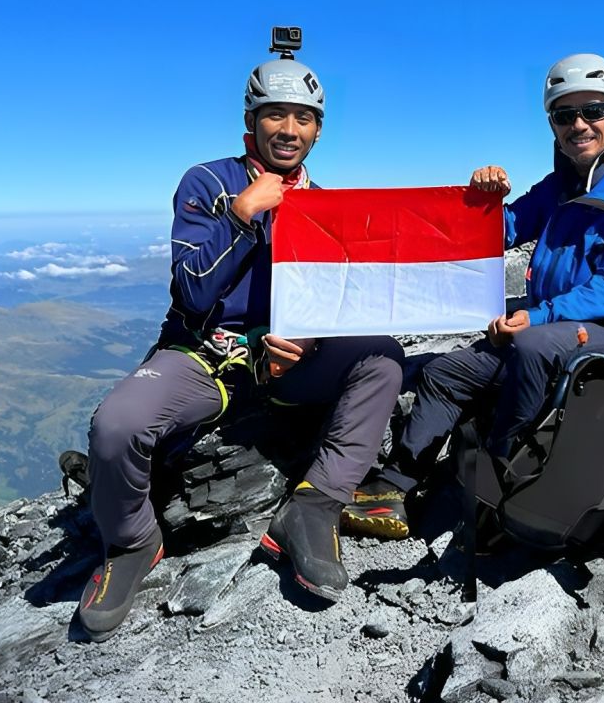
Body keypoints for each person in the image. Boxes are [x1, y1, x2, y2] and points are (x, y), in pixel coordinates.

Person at [77, 50, 404, 640]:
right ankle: (131, 544)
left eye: (302, 118)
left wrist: (302, 340)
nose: (289, 129)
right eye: (275, 115)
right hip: (203, 357)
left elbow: (337, 300)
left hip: (284, 367)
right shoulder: (209, 182)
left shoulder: (326, 203)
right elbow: (194, 291)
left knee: (382, 356)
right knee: (117, 426)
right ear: (251, 121)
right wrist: (241, 217)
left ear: (318, 129)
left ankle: (314, 506)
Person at [341, 53, 604, 539]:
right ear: (552, 124)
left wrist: (540, 314)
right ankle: (393, 485)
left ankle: (502, 476)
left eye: (592, 110)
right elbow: (498, 231)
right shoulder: (557, 187)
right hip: (548, 326)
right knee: (445, 373)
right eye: (564, 115)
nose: (579, 125)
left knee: (531, 347)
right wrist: (483, 199)